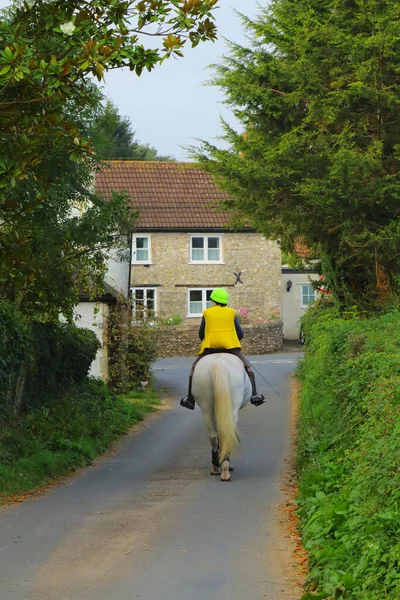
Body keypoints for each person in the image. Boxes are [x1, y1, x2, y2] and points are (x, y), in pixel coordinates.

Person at [180, 288, 266, 410]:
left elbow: (201, 334)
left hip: (210, 347)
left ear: (213, 301)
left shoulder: (207, 313)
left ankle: (190, 399)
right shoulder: (231, 313)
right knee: (247, 367)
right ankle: (254, 395)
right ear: (225, 301)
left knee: (194, 367)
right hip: (230, 347)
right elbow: (240, 333)